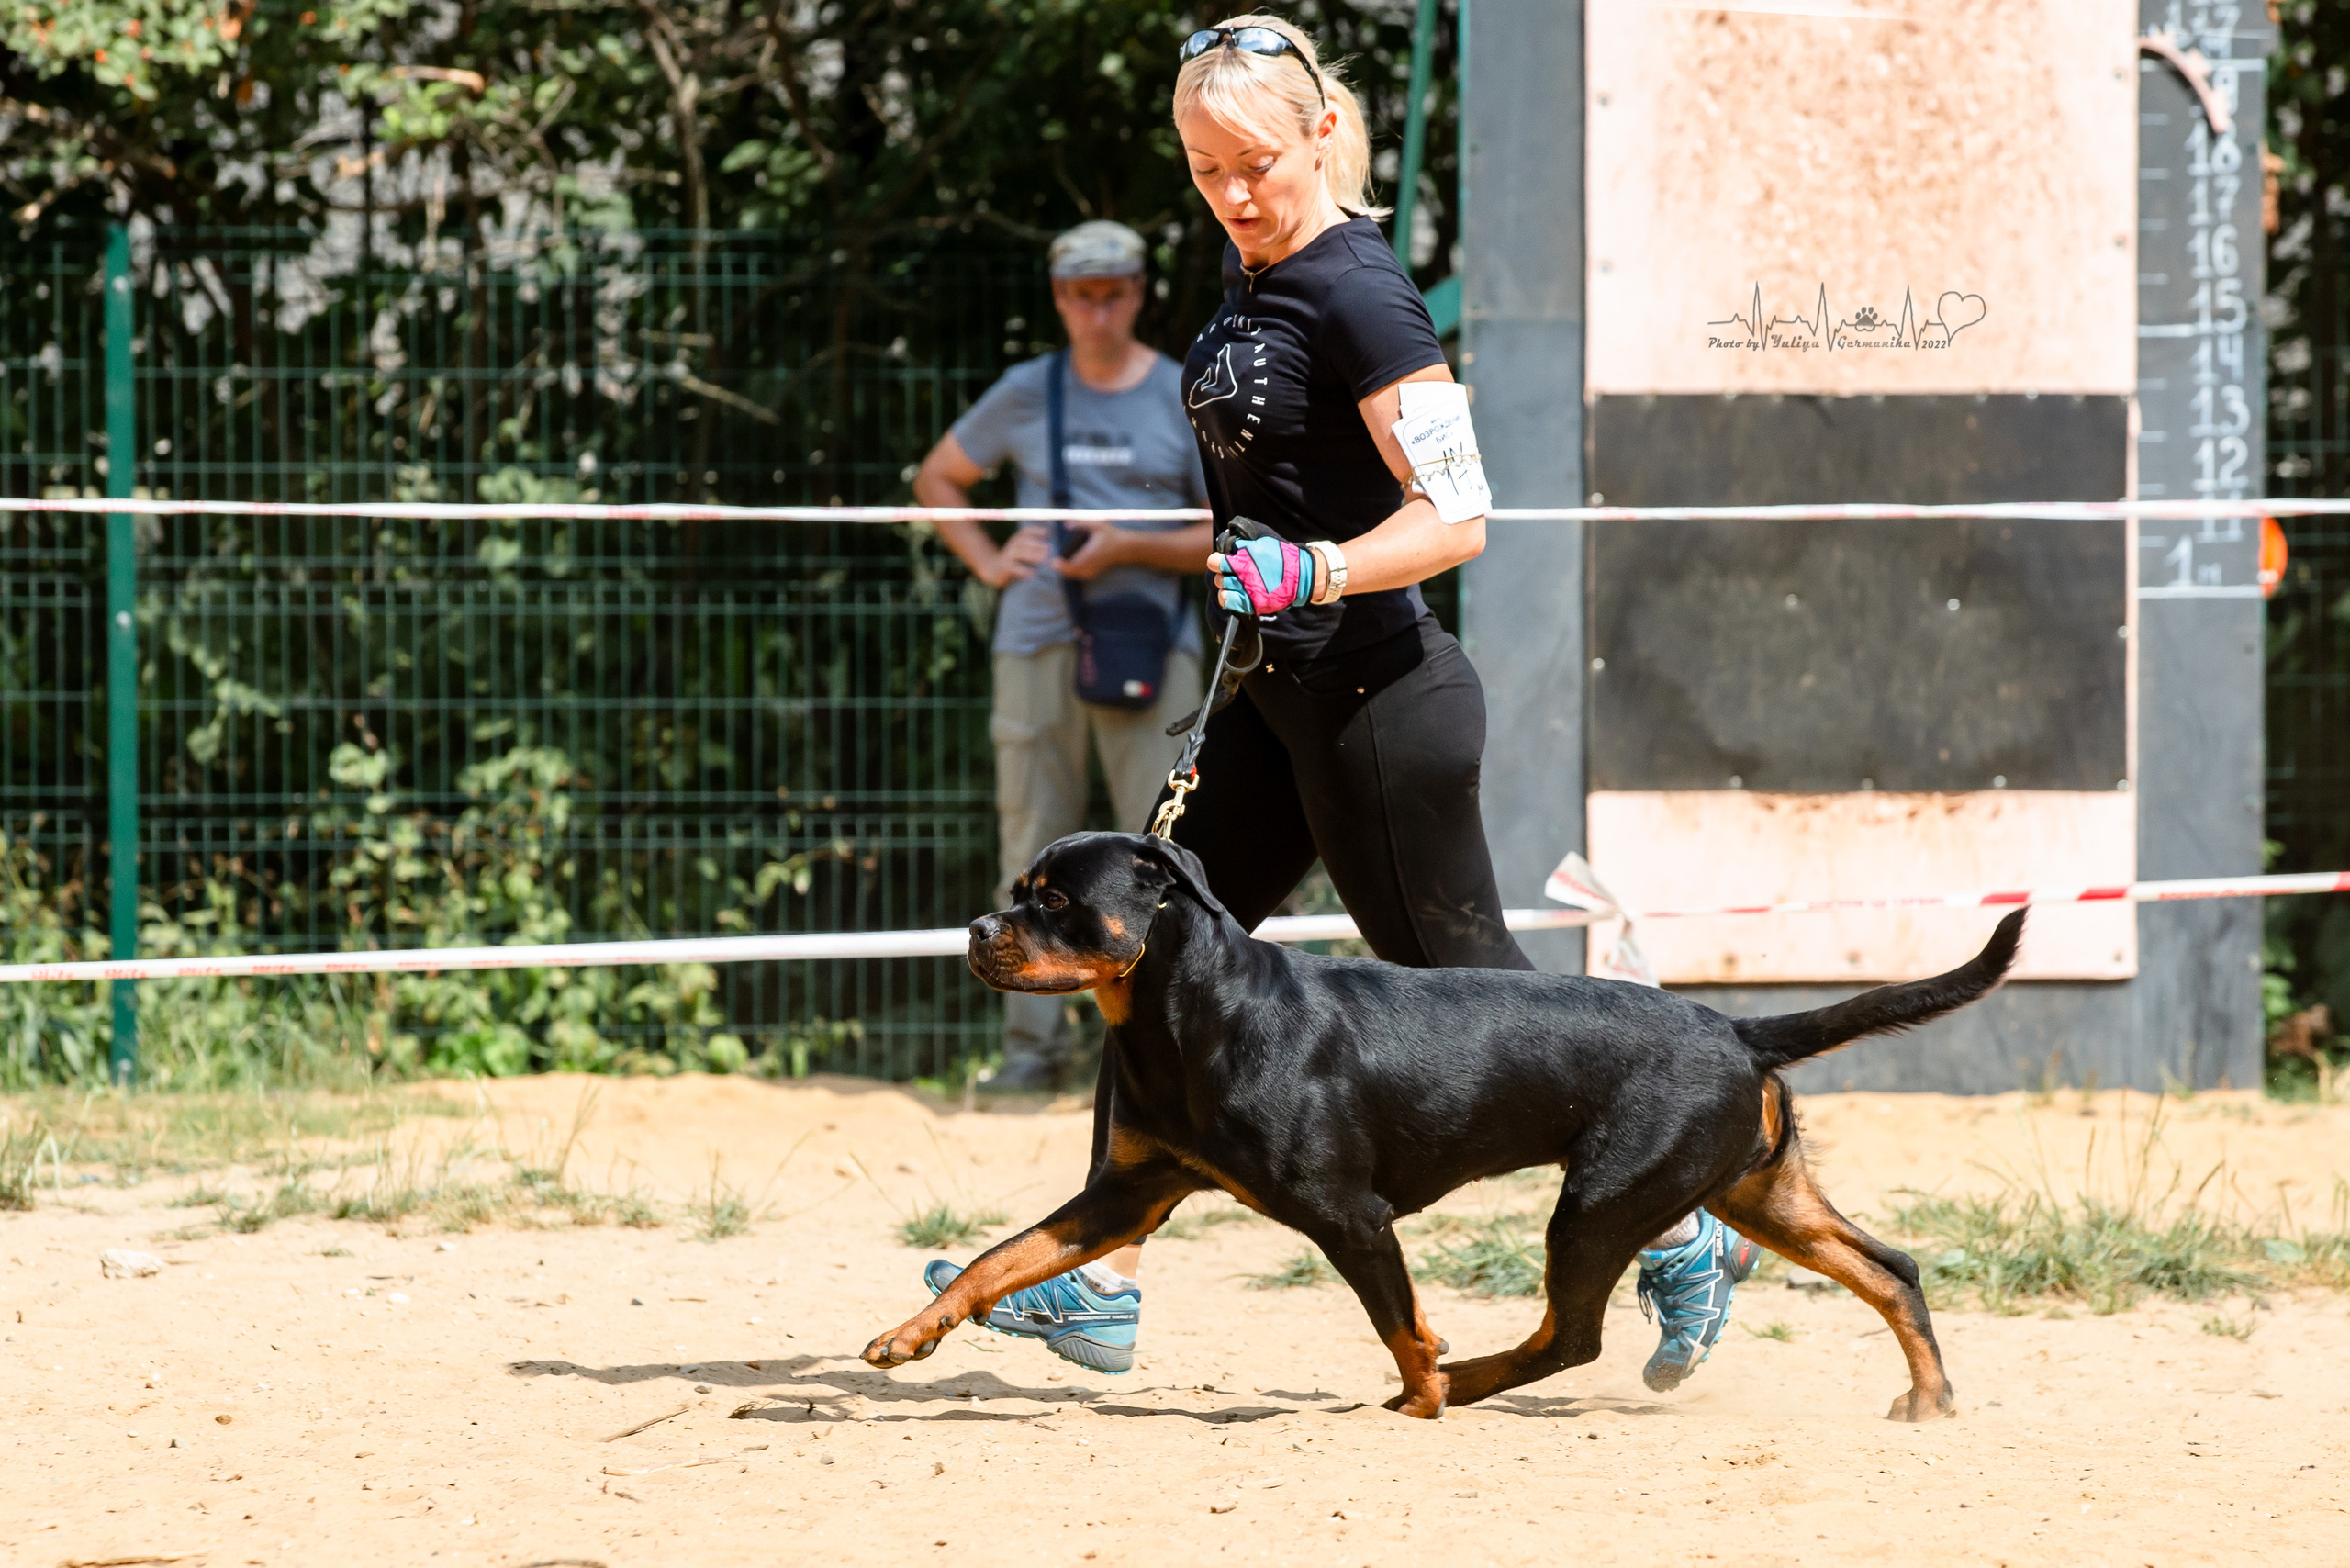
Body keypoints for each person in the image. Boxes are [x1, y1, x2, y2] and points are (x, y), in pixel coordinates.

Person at [925, 17, 1754, 1393]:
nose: (1232, 193)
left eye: (1254, 162)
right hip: (1271, 698)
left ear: (1321, 134)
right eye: (1202, 169)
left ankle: (1680, 1231)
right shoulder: (1257, 275)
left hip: (1380, 703)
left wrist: (1319, 564)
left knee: (1490, 1002)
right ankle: (1101, 1285)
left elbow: (1460, 517)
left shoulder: (1363, 292)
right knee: (1139, 954)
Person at [915, 220, 1214, 1093]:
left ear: (1138, 292)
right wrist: (986, 559)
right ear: (1059, 299)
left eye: (1114, 292)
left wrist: (1126, 545)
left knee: (1160, 851)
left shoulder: (1177, 391)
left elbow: (1223, 532)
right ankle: (1030, 1053)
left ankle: (1169, 1054)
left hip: (1154, 644)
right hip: (1038, 636)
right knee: (1028, 838)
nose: (1098, 310)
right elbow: (938, 478)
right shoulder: (1026, 389)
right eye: (1081, 295)